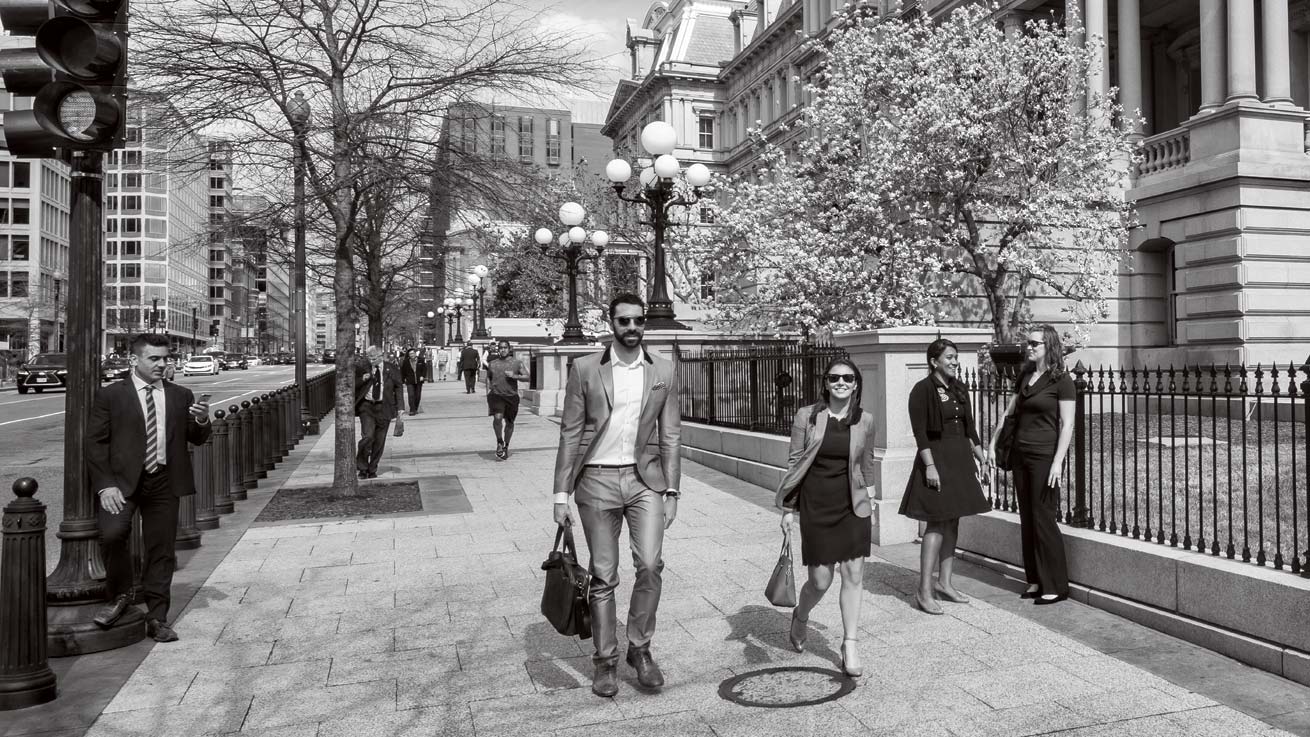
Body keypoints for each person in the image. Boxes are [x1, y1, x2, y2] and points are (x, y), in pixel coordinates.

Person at [552, 293, 681, 698]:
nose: (632, 327)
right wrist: (560, 494)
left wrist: (673, 488)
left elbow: (671, 434)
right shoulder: (585, 368)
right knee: (604, 574)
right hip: (596, 481)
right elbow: (571, 432)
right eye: (624, 321)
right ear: (611, 322)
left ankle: (639, 650)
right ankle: (605, 660)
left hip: (646, 483)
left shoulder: (663, 369)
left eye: (638, 321)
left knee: (650, 564)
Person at [86, 332, 212, 643]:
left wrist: (202, 421)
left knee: (161, 549)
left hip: (163, 481)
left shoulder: (180, 395)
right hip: (121, 484)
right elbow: (95, 444)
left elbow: (196, 438)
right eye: (154, 359)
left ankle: (157, 617)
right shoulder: (111, 396)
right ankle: (120, 595)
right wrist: (105, 486)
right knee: (113, 534)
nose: (162, 364)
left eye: (165, 358)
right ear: (135, 360)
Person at [774, 357, 876, 678]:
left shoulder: (865, 420)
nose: (841, 383)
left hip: (853, 505)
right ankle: (801, 615)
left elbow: (867, 462)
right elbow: (795, 464)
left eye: (847, 378)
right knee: (821, 580)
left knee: (853, 575)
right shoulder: (808, 416)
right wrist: (788, 510)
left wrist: (870, 498)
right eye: (835, 378)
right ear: (826, 382)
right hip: (817, 504)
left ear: (856, 383)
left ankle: (850, 644)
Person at [899, 338, 993, 614]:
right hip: (936, 460)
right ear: (934, 362)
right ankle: (924, 590)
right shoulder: (922, 390)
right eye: (949, 357)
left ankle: (945, 584)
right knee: (936, 524)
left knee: (953, 522)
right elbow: (921, 433)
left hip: (960, 462)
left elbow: (970, 430)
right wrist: (929, 466)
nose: (955, 361)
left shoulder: (959, 388)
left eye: (956, 357)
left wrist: (982, 458)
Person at [988, 324, 1075, 605]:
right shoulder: (1026, 375)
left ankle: (1056, 585)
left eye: (1035, 343)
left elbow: (1067, 424)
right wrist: (992, 444)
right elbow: (1009, 412)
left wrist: (1058, 462)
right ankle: (1035, 580)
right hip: (1021, 455)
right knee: (1026, 518)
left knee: (1043, 518)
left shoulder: (1061, 379)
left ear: (1049, 346)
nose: (1030, 347)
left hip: (1044, 456)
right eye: (1028, 342)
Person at [354, 345, 402, 479]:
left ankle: (372, 468)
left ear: (381, 357)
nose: (371, 360)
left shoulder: (391, 368)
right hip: (367, 407)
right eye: (369, 357)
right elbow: (350, 384)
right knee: (368, 437)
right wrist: (362, 379)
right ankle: (362, 467)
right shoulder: (362, 367)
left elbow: (398, 387)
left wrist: (401, 408)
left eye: (374, 358)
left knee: (379, 441)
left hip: (384, 407)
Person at [485, 339, 529, 460]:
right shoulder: (493, 363)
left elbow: (527, 377)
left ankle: (506, 446)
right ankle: (499, 441)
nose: (503, 350)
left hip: (511, 397)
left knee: (510, 423)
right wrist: (489, 392)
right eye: (501, 348)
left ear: (509, 349)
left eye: (505, 347)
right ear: (498, 349)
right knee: (497, 418)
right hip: (496, 395)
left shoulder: (517, 363)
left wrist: (514, 376)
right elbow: (488, 378)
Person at [400, 348, 427, 415]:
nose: (411, 355)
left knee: (417, 396)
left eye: (412, 353)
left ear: (415, 353)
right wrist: (403, 380)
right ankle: (412, 410)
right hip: (410, 381)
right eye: (410, 354)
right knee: (411, 395)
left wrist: (422, 376)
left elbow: (424, 369)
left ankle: (415, 408)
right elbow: (402, 371)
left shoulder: (421, 360)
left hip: (419, 381)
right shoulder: (406, 362)